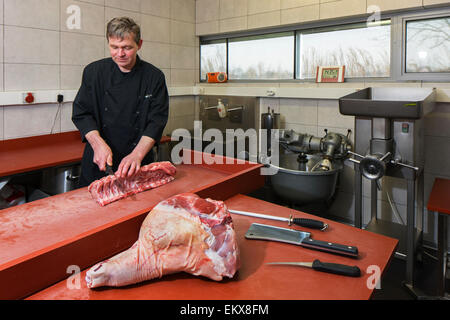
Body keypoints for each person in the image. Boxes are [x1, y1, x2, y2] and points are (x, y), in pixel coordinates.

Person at [72, 17, 169, 187]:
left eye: (127, 48)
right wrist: (97, 144)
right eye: (114, 47)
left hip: (137, 163)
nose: (120, 54)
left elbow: (156, 121)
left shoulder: (154, 77)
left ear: (139, 44)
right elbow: (81, 113)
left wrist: (137, 155)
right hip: (99, 161)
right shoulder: (93, 72)